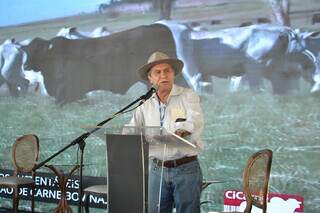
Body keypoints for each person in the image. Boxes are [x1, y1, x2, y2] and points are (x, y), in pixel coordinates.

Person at [127, 51, 204, 213]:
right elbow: (131, 130)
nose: (163, 75)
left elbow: (195, 121)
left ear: (173, 74)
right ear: (150, 78)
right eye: (158, 72)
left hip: (186, 167)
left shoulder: (188, 96)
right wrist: (123, 139)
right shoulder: (144, 104)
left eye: (167, 71)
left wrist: (181, 131)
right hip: (157, 169)